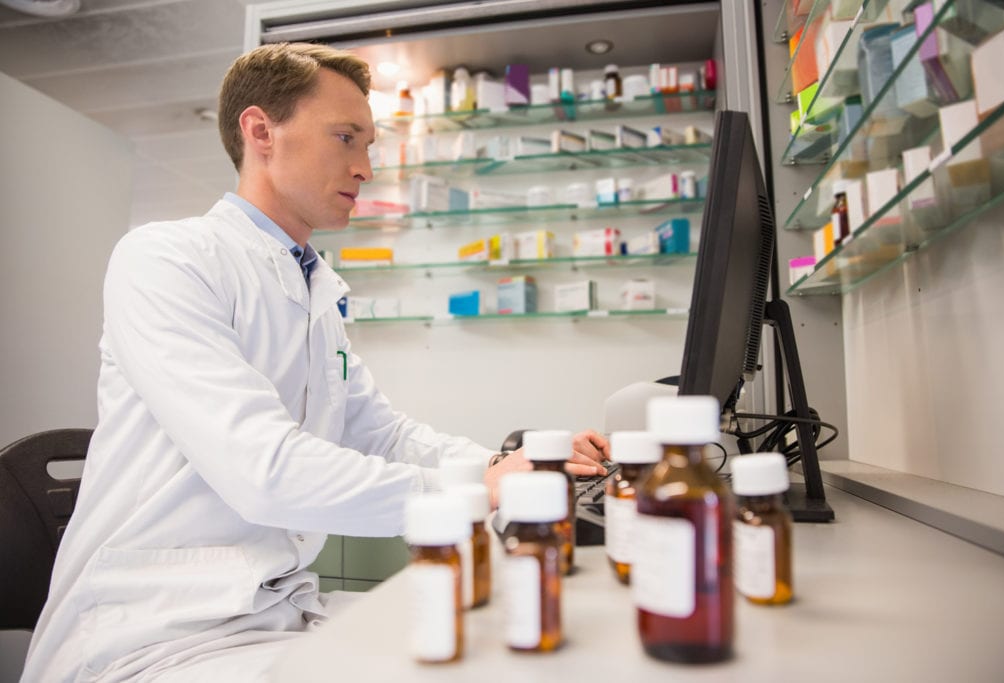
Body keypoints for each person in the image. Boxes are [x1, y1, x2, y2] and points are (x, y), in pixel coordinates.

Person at [22, 42, 609, 682]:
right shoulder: (166, 260)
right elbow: (263, 470)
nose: (365, 168)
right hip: (156, 631)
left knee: (505, 645)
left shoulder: (313, 289)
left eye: (369, 146)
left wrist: (507, 466)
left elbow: (382, 434)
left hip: (272, 614)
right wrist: (474, 487)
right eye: (345, 138)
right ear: (260, 131)